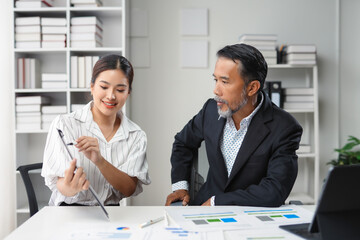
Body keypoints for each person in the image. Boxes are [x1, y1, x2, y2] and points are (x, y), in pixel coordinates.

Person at [165, 44, 302, 207]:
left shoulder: (284, 127)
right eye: (215, 80)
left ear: (252, 88)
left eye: (225, 81)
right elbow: (182, 143)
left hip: (251, 215)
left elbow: (274, 191)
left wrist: (218, 201)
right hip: (202, 209)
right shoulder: (210, 109)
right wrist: (180, 187)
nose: (216, 90)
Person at [42, 54, 151, 206]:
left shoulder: (136, 135)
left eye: (120, 89)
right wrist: (69, 188)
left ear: (128, 93)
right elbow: (57, 182)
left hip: (111, 213)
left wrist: (100, 161)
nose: (111, 96)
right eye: (104, 87)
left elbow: (129, 189)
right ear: (92, 87)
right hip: (69, 210)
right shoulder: (64, 125)